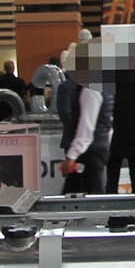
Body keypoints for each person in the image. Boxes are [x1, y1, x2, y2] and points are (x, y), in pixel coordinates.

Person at [51, 41, 110, 194]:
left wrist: (71, 156)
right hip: (98, 146)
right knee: (79, 192)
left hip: (89, 151)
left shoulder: (90, 89)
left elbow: (87, 126)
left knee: (92, 194)